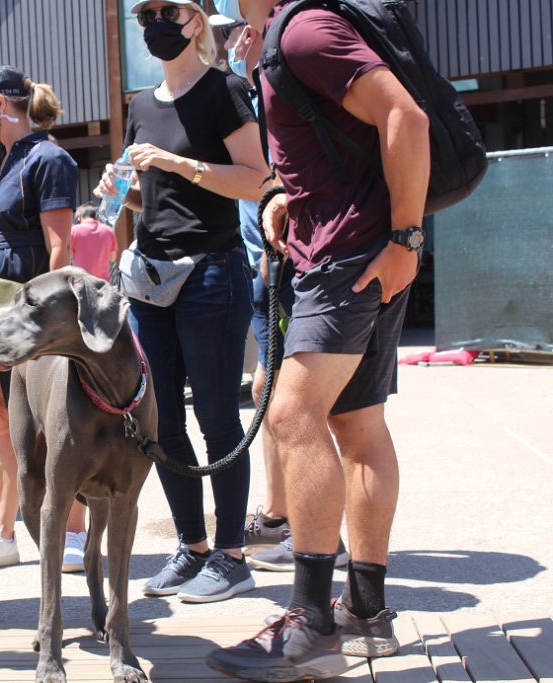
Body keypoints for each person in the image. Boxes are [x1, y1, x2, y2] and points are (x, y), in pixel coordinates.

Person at [206, 0, 428, 678]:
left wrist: (404, 238)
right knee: (357, 426)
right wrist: (282, 197)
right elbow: (337, 144)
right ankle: (366, 611)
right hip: (348, 251)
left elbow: (405, 117)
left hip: (349, 259)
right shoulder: (282, 37)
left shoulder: (304, 29)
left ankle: (311, 622)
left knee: (291, 412)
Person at [97, 0, 270, 603]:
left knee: (218, 417)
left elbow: (256, 179)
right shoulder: (141, 105)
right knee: (161, 419)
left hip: (212, 274)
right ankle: (192, 546)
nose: (154, 22)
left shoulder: (224, 90)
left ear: (196, 20)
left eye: (167, 10)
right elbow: (158, 197)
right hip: (149, 276)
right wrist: (124, 193)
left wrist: (177, 162)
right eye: (144, 13)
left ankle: (231, 555)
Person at [0, 64, 89, 575]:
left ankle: (73, 531)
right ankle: (2, 532)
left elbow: (60, 249)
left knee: (53, 423)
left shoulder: (50, 158)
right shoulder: (2, 157)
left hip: (31, 312)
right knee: (4, 422)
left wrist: (50, 325)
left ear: (0, 103)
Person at [70, 204, 119, 281]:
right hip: (103, 282)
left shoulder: (74, 231)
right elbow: (113, 258)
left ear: (79, 217)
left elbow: (68, 254)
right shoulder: (109, 231)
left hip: (81, 280)